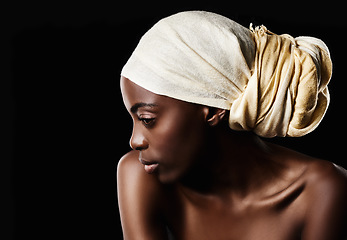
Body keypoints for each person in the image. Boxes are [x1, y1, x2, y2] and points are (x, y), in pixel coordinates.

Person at [117, 11, 347, 240]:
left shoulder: (321, 190)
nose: (135, 140)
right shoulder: (141, 174)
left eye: (147, 119)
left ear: (214, 111)